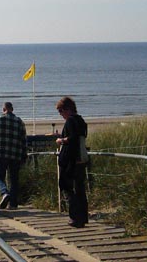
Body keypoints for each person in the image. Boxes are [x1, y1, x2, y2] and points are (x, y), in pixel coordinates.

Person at [56, 96, 89, 228]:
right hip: (81, 159)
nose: (61, 115)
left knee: (68, 188)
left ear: (67, 109)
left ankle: (75, 217)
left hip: (71, 160)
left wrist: (61, 140)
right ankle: (82, 217)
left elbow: (72, 139)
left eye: (61, 111)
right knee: (80, 189)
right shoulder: (81, 120)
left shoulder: (70, 121)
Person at [0, 102, 27, 210]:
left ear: (3, 109)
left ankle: (4, 192)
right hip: (15, 154)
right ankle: (13, 204)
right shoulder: (19, 122)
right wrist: (24, 155)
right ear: (12, 109)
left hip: (1, 153)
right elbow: (24, 140)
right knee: (14, 179)